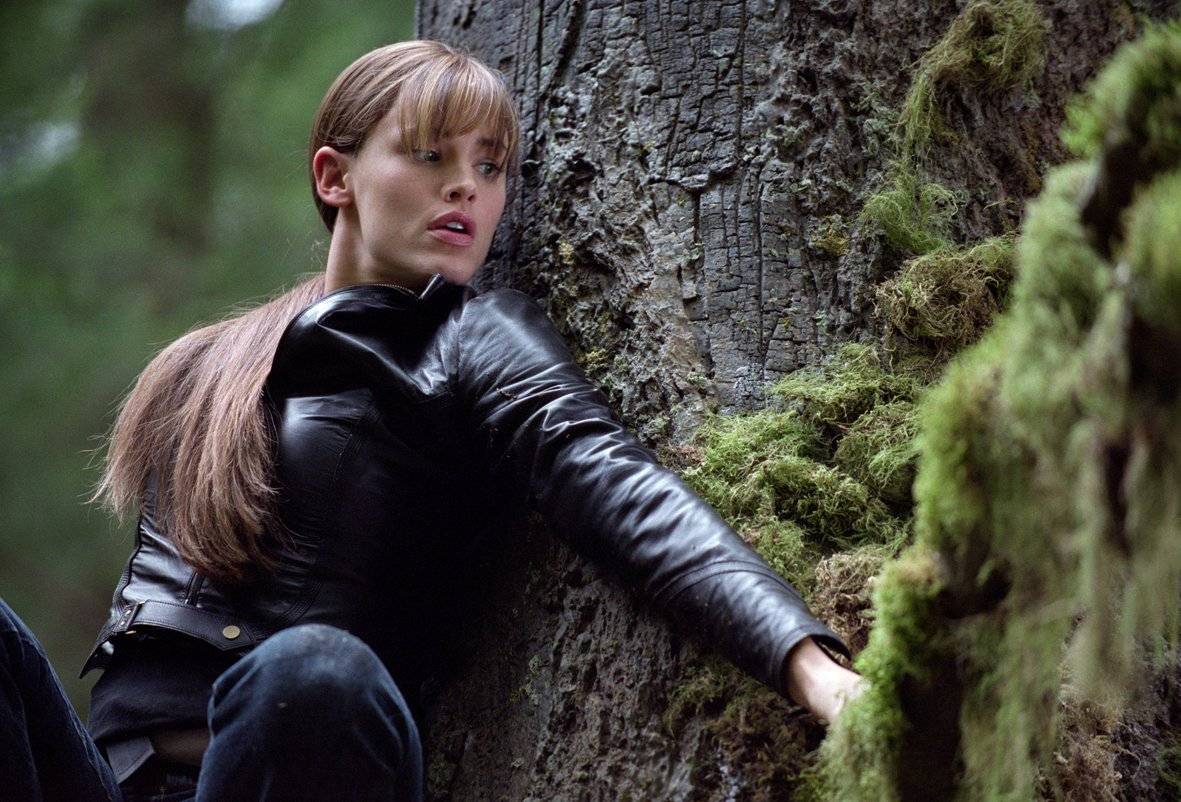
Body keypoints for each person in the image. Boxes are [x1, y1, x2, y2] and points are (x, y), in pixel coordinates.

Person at [0, 40, 863, 802]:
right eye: (429, 155)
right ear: (334, 177)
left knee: (315, 670)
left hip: (296, 756)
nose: (465, 186)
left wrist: (807, 665)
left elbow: (614, 484)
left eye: (490, 167)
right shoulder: (209, 366)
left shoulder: (472, 338)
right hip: (106, 778)